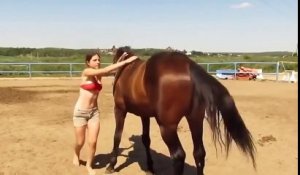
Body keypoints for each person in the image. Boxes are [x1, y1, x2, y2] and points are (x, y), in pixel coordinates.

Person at [72, 50, 137, 175]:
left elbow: (112, 71)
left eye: (99, 59)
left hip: (94, 113)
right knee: (80, 142)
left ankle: (89, 166)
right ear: (88, 62)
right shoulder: (87, 72)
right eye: (94, 60)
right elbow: (106, 70)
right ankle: (76, 154)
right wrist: (128, 60)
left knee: (93, 142)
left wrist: (122, 60)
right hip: (80, 112)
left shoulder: (99, 75)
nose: (98, 62)